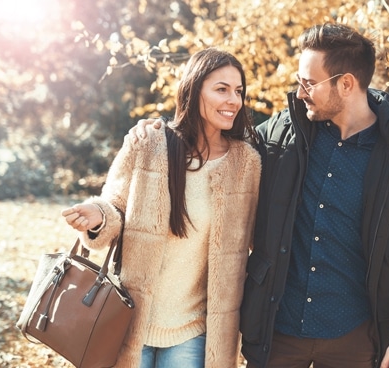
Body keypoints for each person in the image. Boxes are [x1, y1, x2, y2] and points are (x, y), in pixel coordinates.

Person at [131, 23, 389, 368]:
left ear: (346, 84)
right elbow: (215, 149)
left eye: (309, 83)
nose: (300, 93)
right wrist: (162, 134)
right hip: (277, 334)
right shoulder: (282, 135)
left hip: (359, 339)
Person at [61, 48, 261, 368]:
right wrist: (99, 216)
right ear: (194, 90)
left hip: (194, 333)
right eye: (221, 89)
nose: (233, 100)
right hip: (127, 323)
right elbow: (114, 204)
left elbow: (258, 239)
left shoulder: (246, 163)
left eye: (238, 91)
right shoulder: (151, 143)